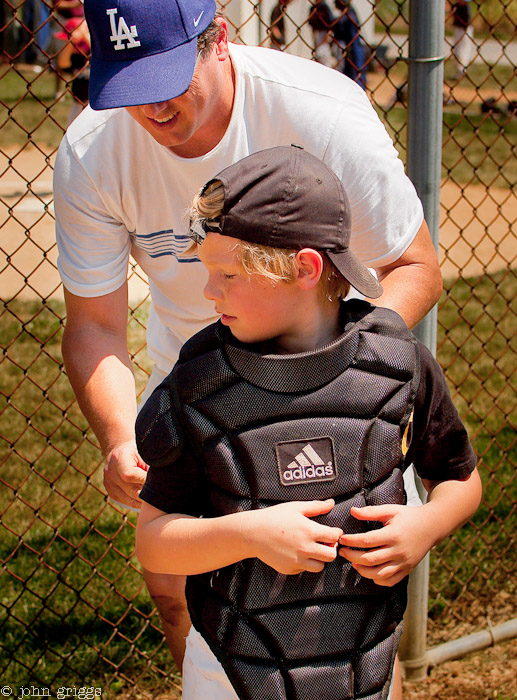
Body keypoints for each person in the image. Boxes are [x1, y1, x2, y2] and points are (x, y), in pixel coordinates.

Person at [53, 0, 443, 689]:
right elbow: (94, 324)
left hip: (330, 380)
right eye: (128, 85)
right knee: (177, 586)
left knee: (344, 600)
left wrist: (347, 374)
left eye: (167, 78)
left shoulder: (317, 112)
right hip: (197, 383)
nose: (150, 109)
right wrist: (120, 438)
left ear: (219, 42)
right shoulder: (93, 148)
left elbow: (412, 266)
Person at [135, 145, 482, 700]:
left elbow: (461, 481)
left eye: (226, 273)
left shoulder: (395, 365)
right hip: (229, 668)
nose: (208, 291)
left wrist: (426, 527)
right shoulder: (199, 386)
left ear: (303, 267)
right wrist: (249, 534)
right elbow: (154, 543)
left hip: (365, 659)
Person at [450, 0, 475, 79]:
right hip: (458, 30)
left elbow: (465, 22)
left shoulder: (466, 7)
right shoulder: (457, 6)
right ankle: (460, 70)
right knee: (457, 50)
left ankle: (462, 70)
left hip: (464, 30)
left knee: (463, 50)